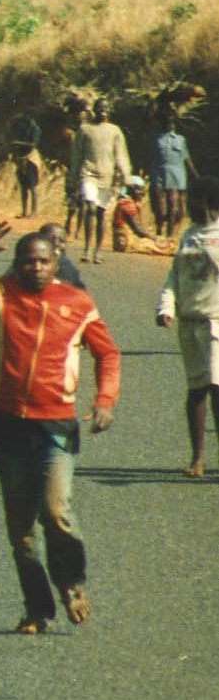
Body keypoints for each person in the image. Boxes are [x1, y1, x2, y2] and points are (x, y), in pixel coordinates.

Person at [0, 222, 119, 633]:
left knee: (56, 511)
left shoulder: (76, 303)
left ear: (55, 263)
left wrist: (105, 400)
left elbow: (107, 353)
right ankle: (37, 609)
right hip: (9, 425)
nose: (35, 268)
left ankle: (71, 582)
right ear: (17, 264)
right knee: (20, 529)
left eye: (43, 261)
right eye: (27, 261)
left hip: (56, 424)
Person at [156, 175, 219, 477]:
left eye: (194, 200)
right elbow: (175, 276)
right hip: (190, 322)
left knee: (217, 387)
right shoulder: (189, 235)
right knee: (197, 391)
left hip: (215, 321)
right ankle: (198, 458)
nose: (188, 205)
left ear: (208, 202)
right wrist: (166, 306)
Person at [69, 99, 131, 264]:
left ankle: (97, 251)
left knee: (101, 213)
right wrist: (72, 179)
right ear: (94, 110)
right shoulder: (85, 129)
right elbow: (76, 156)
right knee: (90, 207)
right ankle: (87, 248)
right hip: (88, 173)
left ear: (110, 110)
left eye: (106, 108)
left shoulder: (115, 131)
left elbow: (121, 155)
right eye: (100, 108)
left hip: (107, 176)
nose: (103, 110)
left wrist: (126, 176)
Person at [154, 112, 195, 234]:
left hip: (176, 174)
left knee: (173, 205)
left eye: (172, 122)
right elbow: (153, 157)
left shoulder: (180, 139)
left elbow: (186, 158)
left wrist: (195, 175)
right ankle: (159, 230)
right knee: (159, 206)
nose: (170, 125)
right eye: (168, 122)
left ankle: (170, 234)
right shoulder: (157, 139)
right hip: (160, 173)